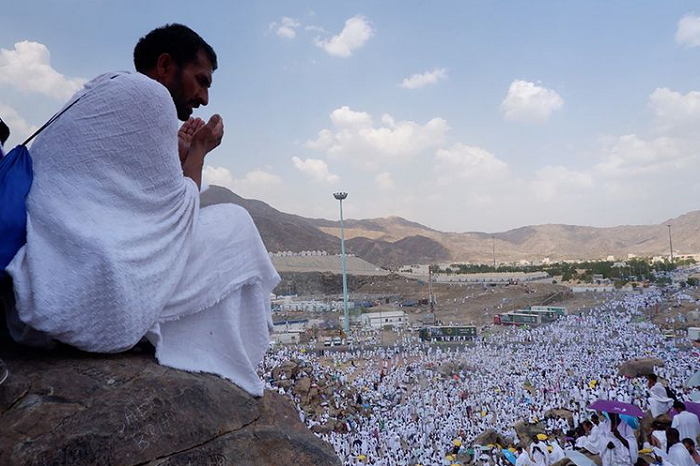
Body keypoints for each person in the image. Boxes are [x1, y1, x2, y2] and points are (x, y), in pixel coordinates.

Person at [4, 24, 279, 396]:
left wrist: (177, 154)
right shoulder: (150, 95)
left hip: (44, 278)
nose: (205, 97)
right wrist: (198, 151)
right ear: (165, 65)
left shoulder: (103, 88)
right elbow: (177, 217)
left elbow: (131, 203)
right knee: (237, 223)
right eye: (200, 80)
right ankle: (216, 355)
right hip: (83, 290)